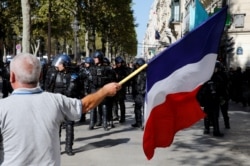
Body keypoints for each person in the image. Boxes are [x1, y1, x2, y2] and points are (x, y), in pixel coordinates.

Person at [0, 53, 120, 165]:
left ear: (12, 76)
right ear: (40, 75)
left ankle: (69, 147)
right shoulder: (56, 101)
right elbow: (85, 105)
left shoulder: (2, 107)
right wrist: (104, 91)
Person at [131, 58, 146, 128]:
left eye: (137, 65)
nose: (136, 66)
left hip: (143, 93)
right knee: (137, 109)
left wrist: (144, 91)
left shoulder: (145, 74)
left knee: (145, 109)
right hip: (137, 93)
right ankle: (138, 122)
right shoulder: (135, 73)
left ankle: (145, 124)